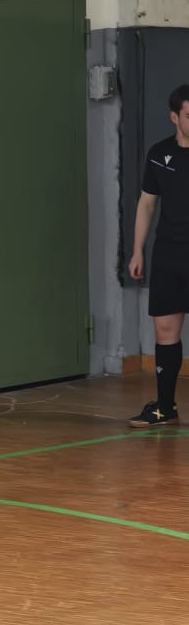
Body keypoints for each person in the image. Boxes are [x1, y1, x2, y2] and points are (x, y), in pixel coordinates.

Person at [128, 84, 189, 426]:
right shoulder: (159, 154)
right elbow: (146, 203)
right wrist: (137, 251)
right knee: (165, 328)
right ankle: (165, 407)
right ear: (174, 117)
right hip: (169, 252)